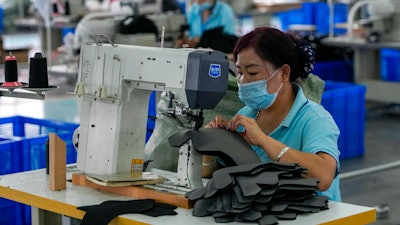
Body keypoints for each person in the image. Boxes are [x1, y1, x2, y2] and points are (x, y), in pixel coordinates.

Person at [202, 26, 341, 202]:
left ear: (283, 73)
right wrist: (212, 149)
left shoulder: (314, 119)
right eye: (239, 72)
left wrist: (263, 140)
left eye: (252, 72)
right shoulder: (247, 115)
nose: (243, 81)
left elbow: (323, 177)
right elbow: (216, 177)